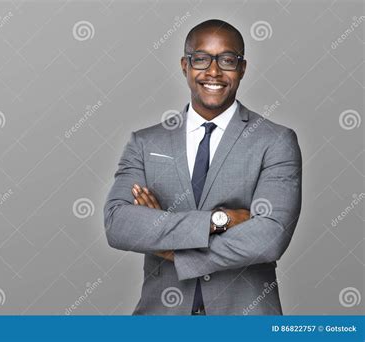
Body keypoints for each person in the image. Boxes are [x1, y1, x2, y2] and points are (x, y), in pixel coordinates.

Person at [104, 19, 302, 315]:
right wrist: (219, 220)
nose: (213, 71)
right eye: (201, 59)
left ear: (242, 68)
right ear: (185, 65)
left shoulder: (275, 141)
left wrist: (171, 247)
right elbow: (118, 224)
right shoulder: (145, 143)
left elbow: (270, 237)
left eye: (227, 60)